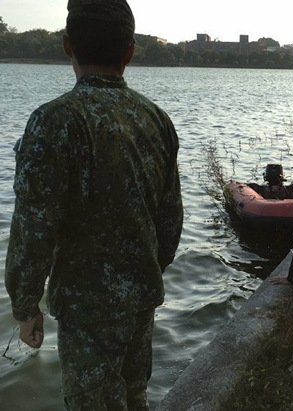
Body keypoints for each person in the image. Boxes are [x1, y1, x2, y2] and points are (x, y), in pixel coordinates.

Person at [4, 1, 184, 409]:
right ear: (130, 51)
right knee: (134, 396)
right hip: (141, 296)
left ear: (68, 46)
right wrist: (144, 269)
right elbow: (171, 220)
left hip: (86, 309)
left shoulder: (54, 121)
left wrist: (26, 304)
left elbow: (34, 227)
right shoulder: (155, 118)